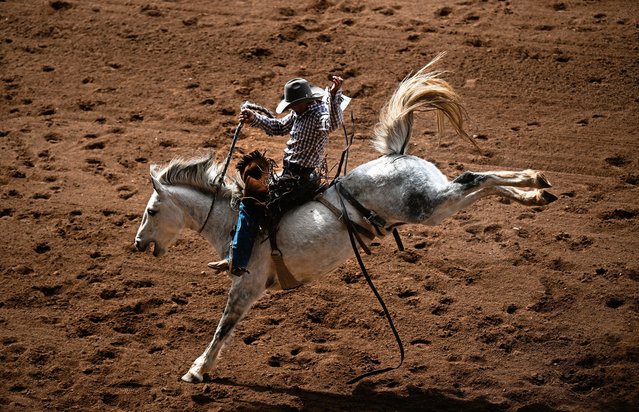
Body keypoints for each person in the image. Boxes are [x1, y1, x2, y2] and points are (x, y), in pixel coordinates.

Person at [208, 75, 345, 276]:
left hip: (298, 180)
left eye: (293, 105)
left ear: (304, 102)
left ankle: (236, 261)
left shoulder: (318, 114)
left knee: (250, 204)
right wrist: (254, 119)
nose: (291, 109)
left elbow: (332, 123)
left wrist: (333, 96)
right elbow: (278, 127)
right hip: (294, 174)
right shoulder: (299, 114)